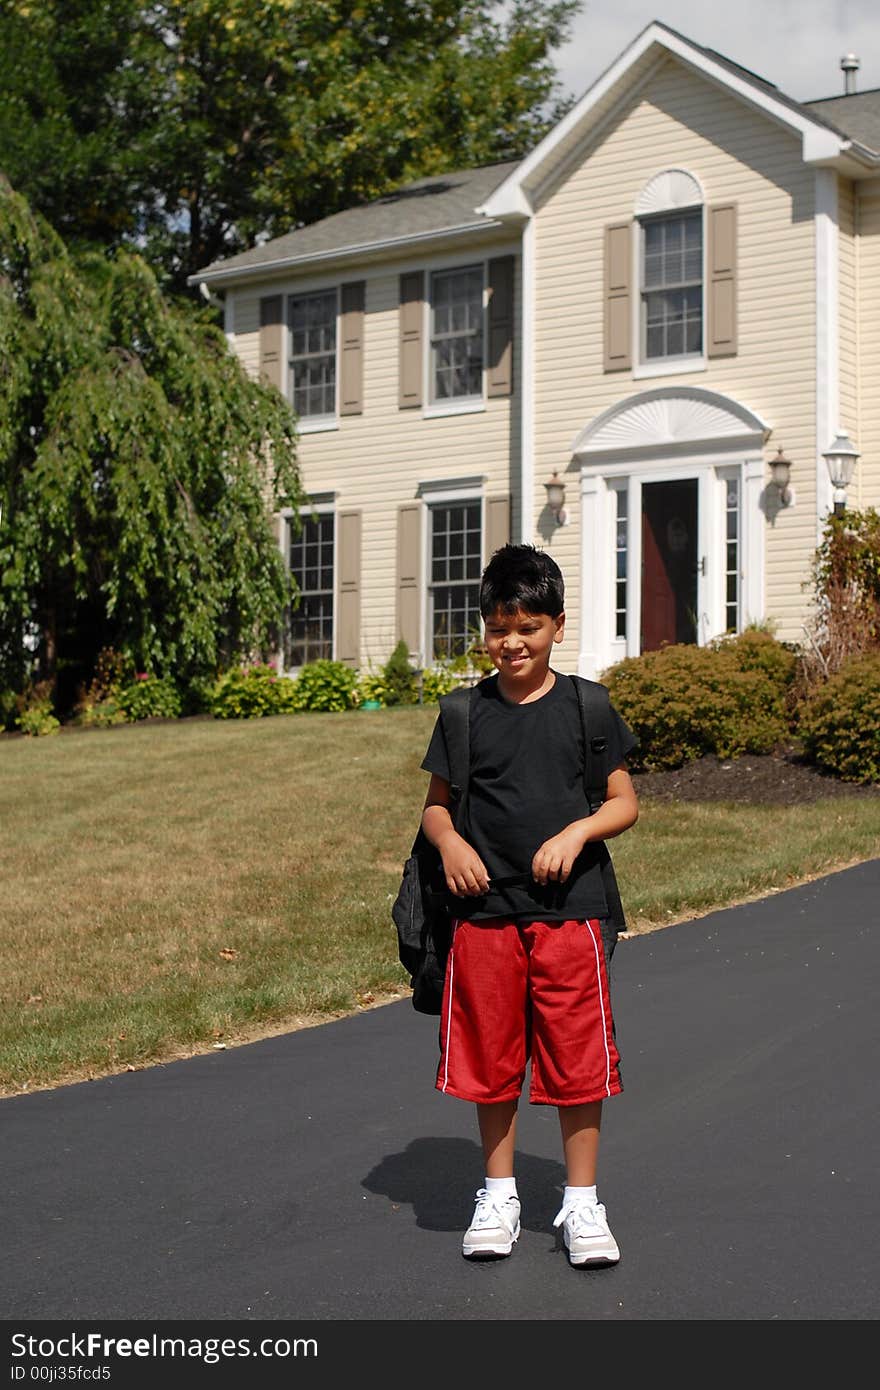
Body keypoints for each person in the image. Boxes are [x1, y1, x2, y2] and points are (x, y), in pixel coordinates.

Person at [419, 543, 639, 1267]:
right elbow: (436, 811)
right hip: (483, 913)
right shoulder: (463, 713)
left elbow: (623, 802)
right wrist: (451, 845)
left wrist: (578, 831)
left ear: (558, 627)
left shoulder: (587, 706)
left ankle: (581, 1205)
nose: (513, 641)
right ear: (485, 628)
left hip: (571, 909)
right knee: (492, 1057)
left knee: (577, 1058)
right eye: (499, 626)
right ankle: (500, 1193)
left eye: (530, 627)